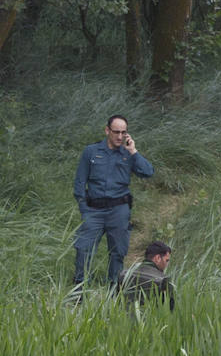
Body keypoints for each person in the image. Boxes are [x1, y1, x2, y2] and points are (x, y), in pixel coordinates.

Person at [72, 113, 154, 297]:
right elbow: (79, 183)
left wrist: (134, 151)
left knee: (118, 251)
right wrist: (84, 208)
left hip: (119, 209)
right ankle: (79, 290)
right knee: (83, 248)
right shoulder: (91, 152)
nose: (119, 136)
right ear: (107, 130)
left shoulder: (128, 154)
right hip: (93, 209)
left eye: (123, 132)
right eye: (116, 132)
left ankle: (114, 289)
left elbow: (148, 172)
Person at [121, 240, 175, 312]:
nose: (167, 264)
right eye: (166, 260)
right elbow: (170, 312)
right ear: (158, 258)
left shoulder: (124, 274)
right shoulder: (163, 281)